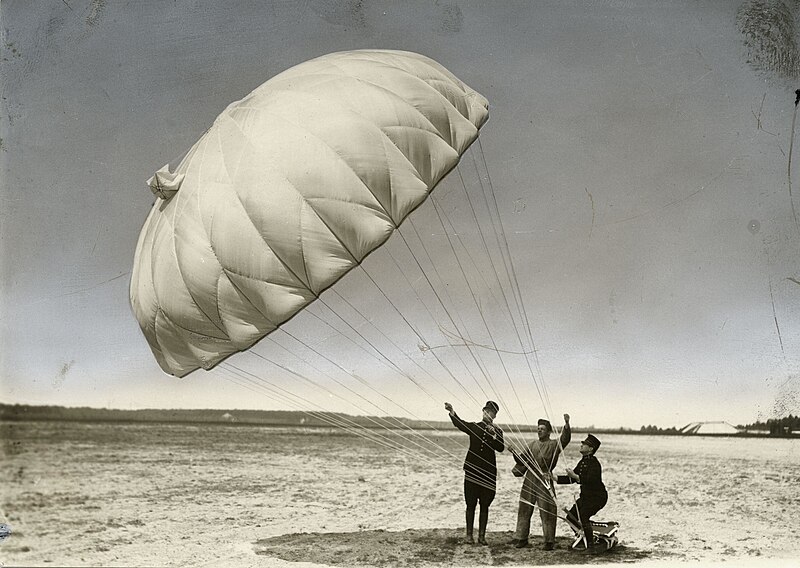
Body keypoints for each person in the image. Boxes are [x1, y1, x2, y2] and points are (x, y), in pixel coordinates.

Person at [445, 401, 505, 545]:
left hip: (488, 473)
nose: (487, 414)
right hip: (472, 471)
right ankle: (469, 536)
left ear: (494, 415)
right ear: (483, 412)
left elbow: (501, 448)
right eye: (486, 411)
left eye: (491, 412)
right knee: (470, 503)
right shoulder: (474, 426)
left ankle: (482, 537)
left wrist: (494, 436)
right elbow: (460, 424)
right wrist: (452, 411)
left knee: (485, 504)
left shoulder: (498, 431)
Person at [509, 414, 570, 550]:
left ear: (548, 431)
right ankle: (522, 538)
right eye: (538, 428)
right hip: (530, 479)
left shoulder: (554, 445)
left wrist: (566, 424)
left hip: (545, 479)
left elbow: (565, 439)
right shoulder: (532, 445)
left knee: (547, 509)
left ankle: (549, 541)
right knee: (524, 507)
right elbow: (521, 461)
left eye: (542, 429)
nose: (539, 431)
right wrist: (514, 452)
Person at [555, 434, 608, 553]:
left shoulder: (595, 463)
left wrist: (575, 476)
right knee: (570, 517)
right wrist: (555, 478)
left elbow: (590, 480)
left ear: (590, 449)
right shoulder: (583, 462)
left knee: (584, 515)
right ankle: (583, 536)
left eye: (584, 444)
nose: (581, 445)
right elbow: (572, 478)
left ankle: (591, 547)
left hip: (597, 498)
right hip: (586, 497)